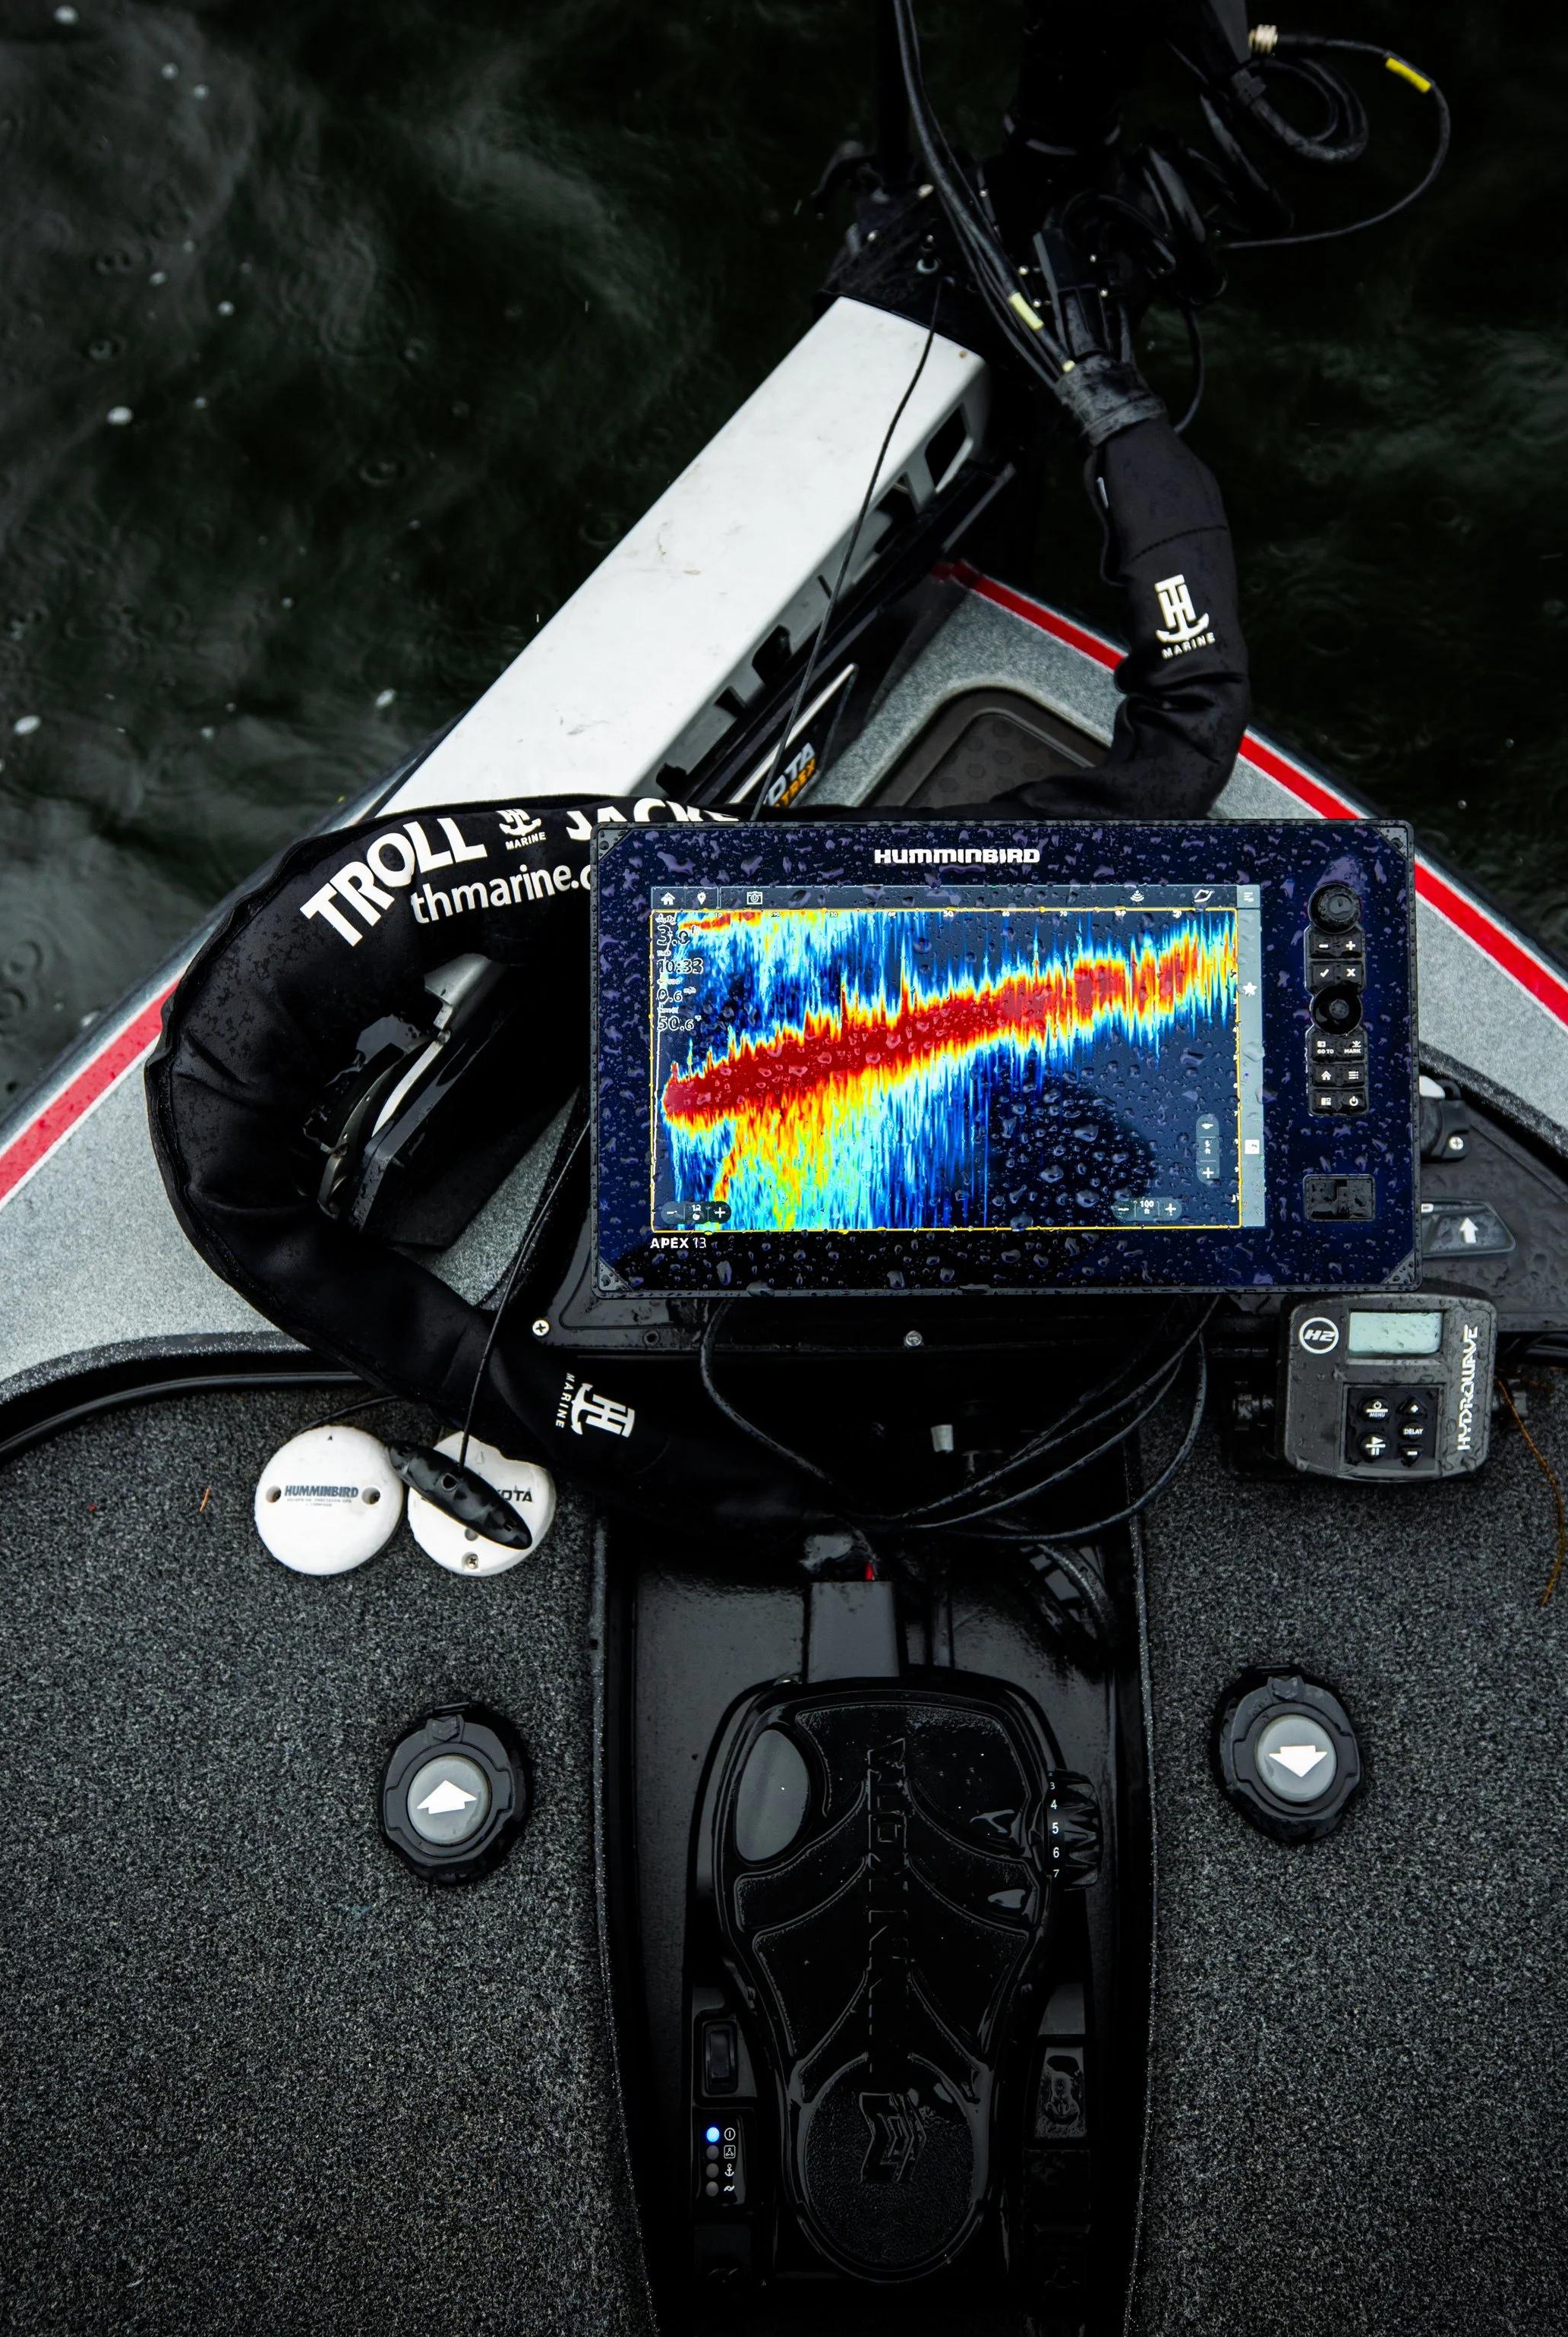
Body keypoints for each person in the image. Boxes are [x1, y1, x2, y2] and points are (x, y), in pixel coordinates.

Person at [147, 359, 1248, 1530]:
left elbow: (1196, 708)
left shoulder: (1061, 888)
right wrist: (1124, 422)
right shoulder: (1047, 871)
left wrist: (1128, 430)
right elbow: (1195, 706)